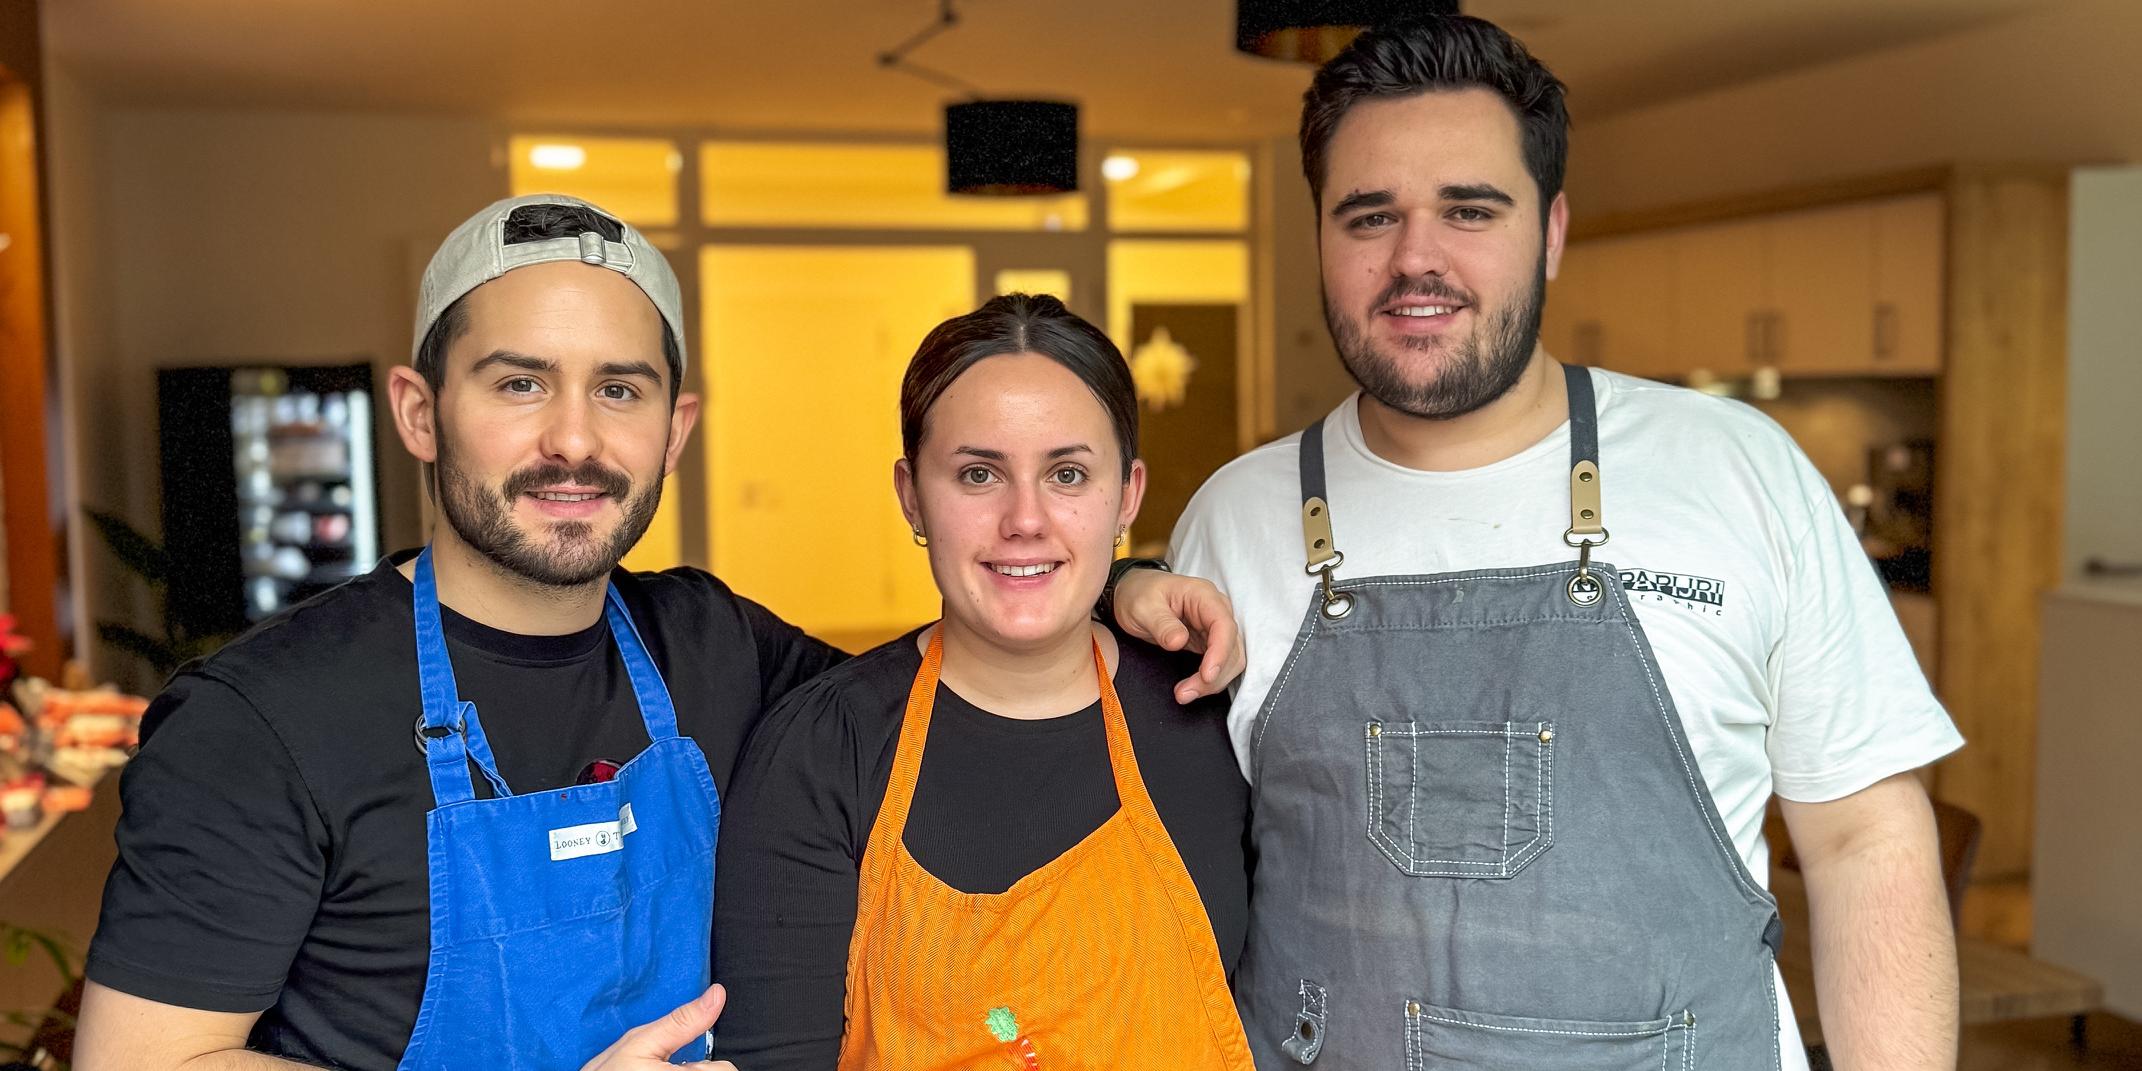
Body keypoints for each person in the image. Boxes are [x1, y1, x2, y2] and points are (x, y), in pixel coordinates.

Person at [76, 196, 1240, 1071]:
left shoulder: (714, 649)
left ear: (675, 429)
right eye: (520, 384)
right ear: (420, 413)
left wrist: (1113, 586)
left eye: (621, 390)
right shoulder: (263, 719)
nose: (575, 440)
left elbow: (971, 672)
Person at [1165, 16, 1964, 1071]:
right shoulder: (1231, 520)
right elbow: (1167, 879)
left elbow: (1867, 843)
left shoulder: (1738, 473)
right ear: (1320, 235)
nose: (1416, 260)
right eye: (1369, 216)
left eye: (1469, 210)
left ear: (1550, 231)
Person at [712, 294, 1255, 1071]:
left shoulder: (1209, 709)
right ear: (911, 496)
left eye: (1068, 473)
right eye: (978, 473)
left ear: (1128, 496)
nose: (1024, 519)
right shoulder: (821, 752)